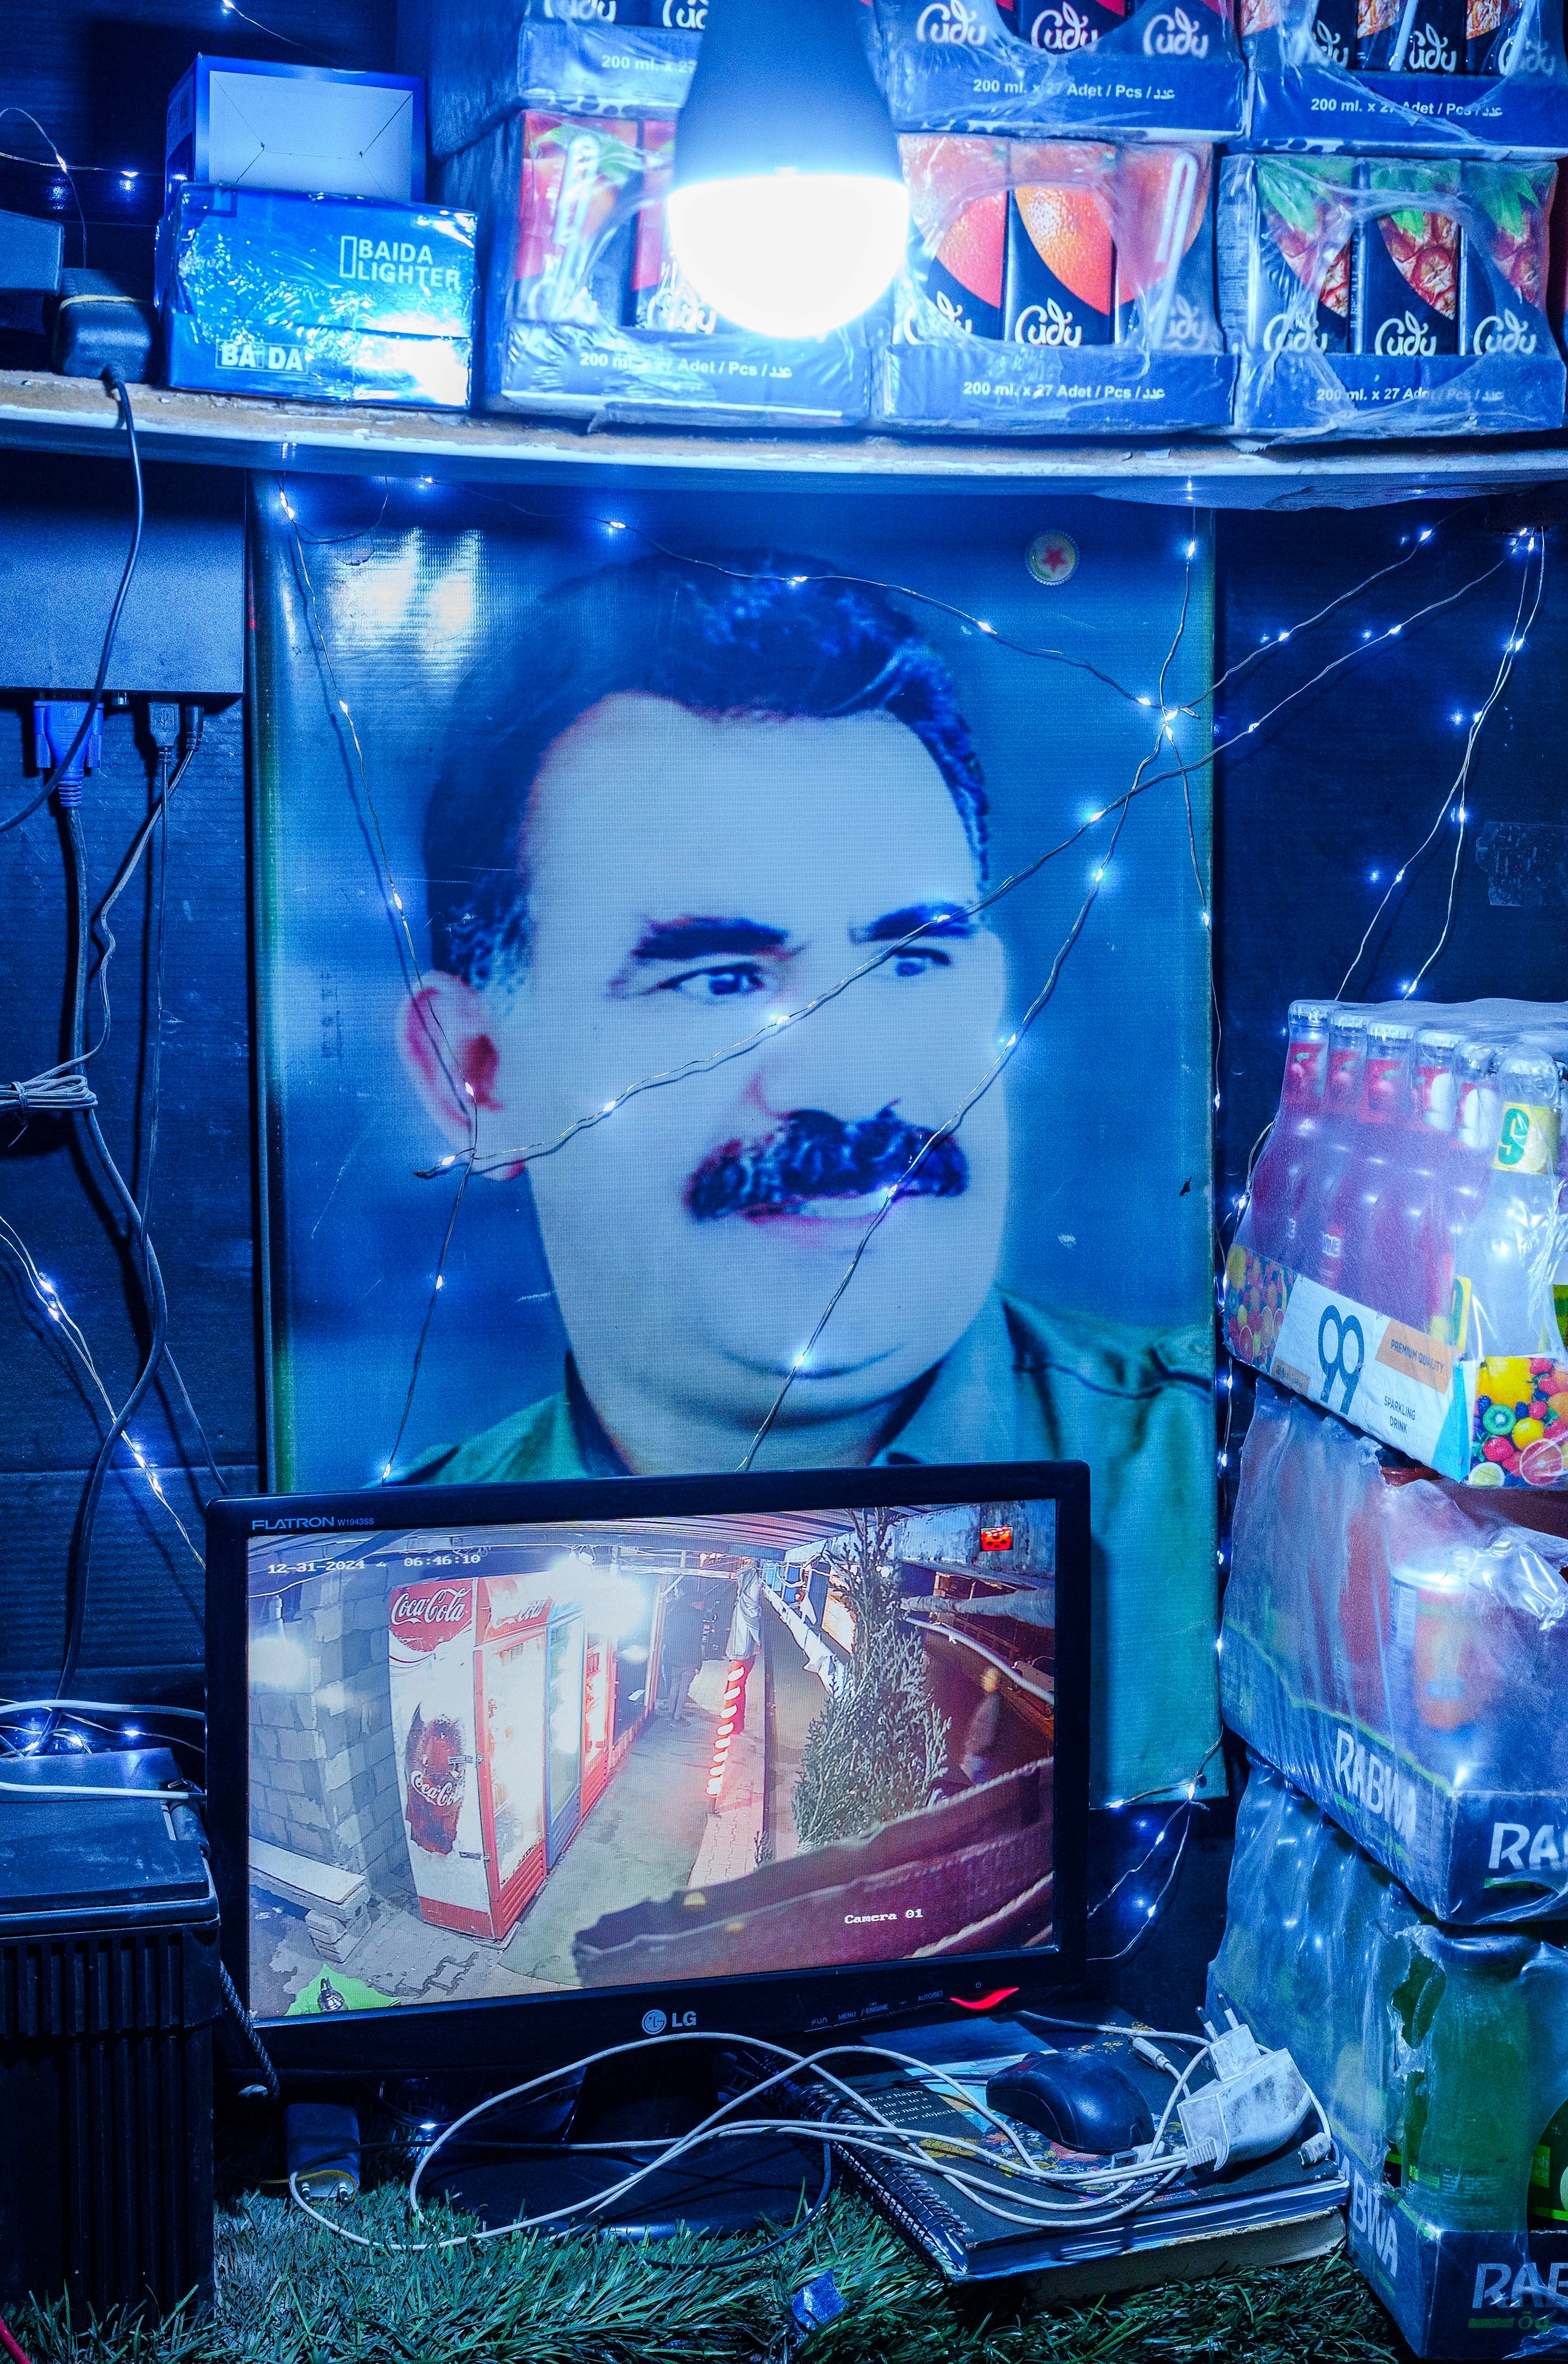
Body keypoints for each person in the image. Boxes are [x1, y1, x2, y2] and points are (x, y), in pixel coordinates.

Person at [386, 554, 1211, 1795]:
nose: (848, 1078)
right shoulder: (395, 1594)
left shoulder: (1248, 1495)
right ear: (477, 1076)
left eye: (912, 959)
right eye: (717, 981)